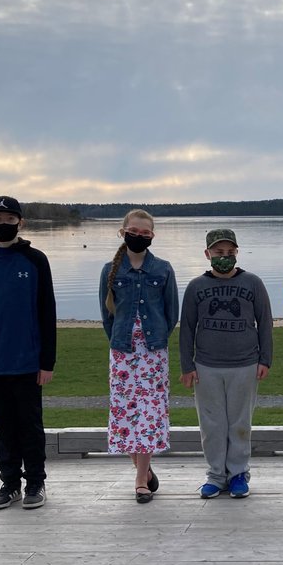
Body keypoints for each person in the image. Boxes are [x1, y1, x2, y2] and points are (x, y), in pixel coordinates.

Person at [0, 195, 57, 511]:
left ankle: (35, 482)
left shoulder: (35, 260)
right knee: (3, 427)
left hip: (28, 362)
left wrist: (47, 361)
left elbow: (47, 313)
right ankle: (9, 484)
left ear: (21, 222)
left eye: (9, 219)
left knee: (30, 425)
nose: (3, 225)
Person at [179, 228, 273, 499]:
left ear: (236, 253)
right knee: (212, 424)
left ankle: (239, 474)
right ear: (208, 254)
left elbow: (265, 322)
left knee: (240, 423)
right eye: (219, 253)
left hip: (245, 364)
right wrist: (188, 365)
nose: (225, 257)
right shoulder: (197, 287)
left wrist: (265, 358)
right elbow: (186, 328)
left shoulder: (252, 283)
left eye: (230, 253)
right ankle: (215, 475)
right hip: (207, 366)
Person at [99, 209, 179, 504]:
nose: (139, 237)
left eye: (145, 234)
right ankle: (144, 469)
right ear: (123, 232)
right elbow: (107, 315)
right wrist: (120, 340)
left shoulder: (163, 269)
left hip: (153, 354)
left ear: (152, 237)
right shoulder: (110, 270)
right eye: (134, 231)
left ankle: (139, 480)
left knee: (149, 412)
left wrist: (154, 339)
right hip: (122, 353)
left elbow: (171, 313)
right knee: (126, 413)